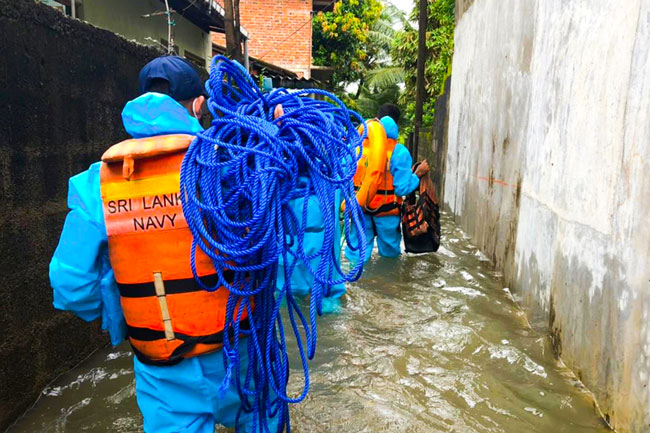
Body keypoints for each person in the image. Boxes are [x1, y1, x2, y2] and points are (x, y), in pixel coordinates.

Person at [49, 56, 276, 433]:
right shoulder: (233, 163)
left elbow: (70, 283)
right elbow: (276, 243)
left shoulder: (97, 183)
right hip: (240, 347)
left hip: (162, 356)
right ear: (199, 105)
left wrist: (120, 316)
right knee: (260, 421)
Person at [345, 103, 429, 262]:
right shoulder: (399, 152)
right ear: (396, 125)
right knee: (389, 256)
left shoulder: (355, 147)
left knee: (356, 255)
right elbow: (402, 188)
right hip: (387, 212)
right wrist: (417, 175)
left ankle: (352, 285)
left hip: (359, 210)